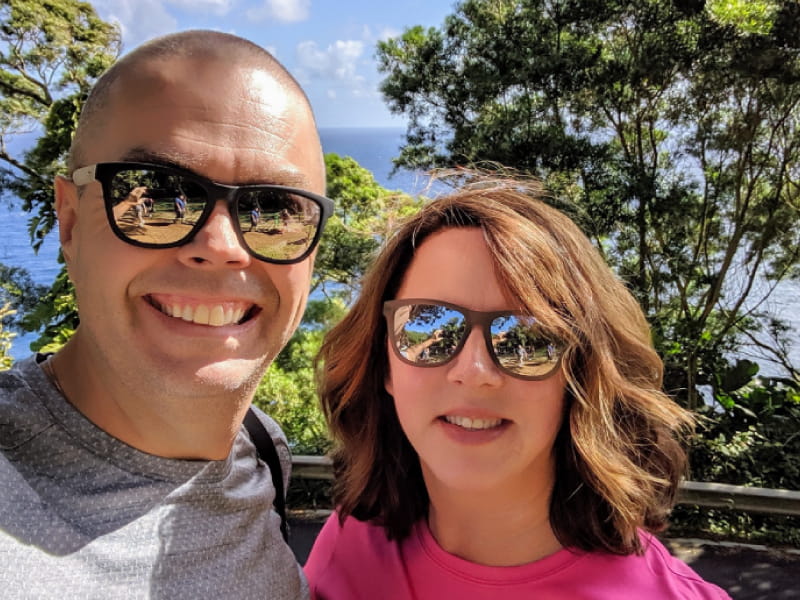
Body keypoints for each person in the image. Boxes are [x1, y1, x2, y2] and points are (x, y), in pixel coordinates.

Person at [0, 30, 332, 599]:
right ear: (70, 220)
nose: (223, 245)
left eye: (276, 207)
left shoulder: (260, 448)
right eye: (155, 194)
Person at [304, 178, 731, 599]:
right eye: (428, 326)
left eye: (527, 338)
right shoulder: (347, 552)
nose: (474, 371)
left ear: (579, 372)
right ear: (385, 366)